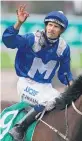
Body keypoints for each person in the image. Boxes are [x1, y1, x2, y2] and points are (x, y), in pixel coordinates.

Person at [2, 4, 73, 141]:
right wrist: (18, 23)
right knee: (48, 101)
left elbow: (64, 74)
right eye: (50, 25)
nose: (51, 29)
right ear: (46, 25)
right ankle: (19, 128)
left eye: (56, 26)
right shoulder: (32, 38)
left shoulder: (63, 48)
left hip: (45, 87)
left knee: (63, 104)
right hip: (26, 83)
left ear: (61, 30)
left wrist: (74, 86)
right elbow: (8, 41)